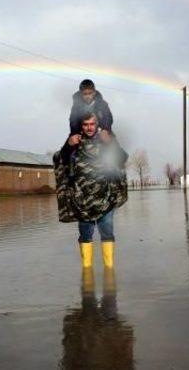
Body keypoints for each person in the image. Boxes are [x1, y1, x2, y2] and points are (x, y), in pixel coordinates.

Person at [54, 112, 128, 268]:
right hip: (82, 202)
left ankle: (109, 273)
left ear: (97, 124)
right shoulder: (74, 143)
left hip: (106, 199)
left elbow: (122, 158)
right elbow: (59, 160)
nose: (89, 127)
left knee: (107, 234)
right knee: (85, 236)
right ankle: (87, 272)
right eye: (85, 124)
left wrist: (111, 143)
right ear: (81, 126)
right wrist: (68, 145)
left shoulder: (106, 140)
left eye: (92, 124)